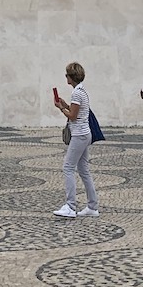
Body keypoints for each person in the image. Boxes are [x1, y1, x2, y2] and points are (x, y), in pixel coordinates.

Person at [53, 61, 99, 219]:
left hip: (79, 135)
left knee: (68, 167)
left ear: (71, 77)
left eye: (67, 75)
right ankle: (92, 206)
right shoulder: (81, 91)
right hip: (85, 134)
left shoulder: (77, 93)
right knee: (84, 170)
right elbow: (75, 111)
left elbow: (72, 116)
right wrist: (65, 104)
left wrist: (60, 108)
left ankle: (70, 206)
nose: (65, 77)